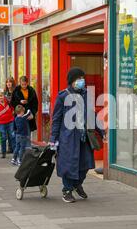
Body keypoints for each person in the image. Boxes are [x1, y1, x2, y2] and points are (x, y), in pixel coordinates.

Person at [49, 67, 104, 203]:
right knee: (69, 165)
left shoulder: (86, 94)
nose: (82, 81)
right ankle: (67, 190)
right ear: (72, 81)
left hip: (84, 137)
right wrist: (53, 139)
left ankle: (77, 184)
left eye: (82, 78)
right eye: (78, 79)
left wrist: (102, 130)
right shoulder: (63, 96)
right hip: (68, 138)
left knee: (85, 165)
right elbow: (56, 119)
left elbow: (92, 115)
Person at [11, 76, 38, 147]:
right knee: (19, 134)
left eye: (25, 84)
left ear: (27, 83)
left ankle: (27, 150)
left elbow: (35, 104)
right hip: (19, 115)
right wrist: (19, 101)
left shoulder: (31, 90)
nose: (24, 86)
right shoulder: (16, 90)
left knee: (28, 133)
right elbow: (12, 102)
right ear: (20, 83)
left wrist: (33, 113)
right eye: (22, 84)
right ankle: (19, 150)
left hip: (28, 114)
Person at [0, 89, 15, 159]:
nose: (0, 97)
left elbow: (12, 109)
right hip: (1, 123)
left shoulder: (8, 101)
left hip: (10, 121)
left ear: (3, 95)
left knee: (12, 136)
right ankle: (3, 152)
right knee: (3, 137)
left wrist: (12, 115)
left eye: (1, 96)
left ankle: (14, 151)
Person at [4, 77, 17, 153]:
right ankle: (10, 147)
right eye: (7, 82)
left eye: (10, 82)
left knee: (13, 131)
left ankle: (15, 146)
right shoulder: (5, 92)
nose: (8, 83)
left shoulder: (16, 92)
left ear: (12, 83)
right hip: (7, 114)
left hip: (15, 113)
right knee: (8, 131)